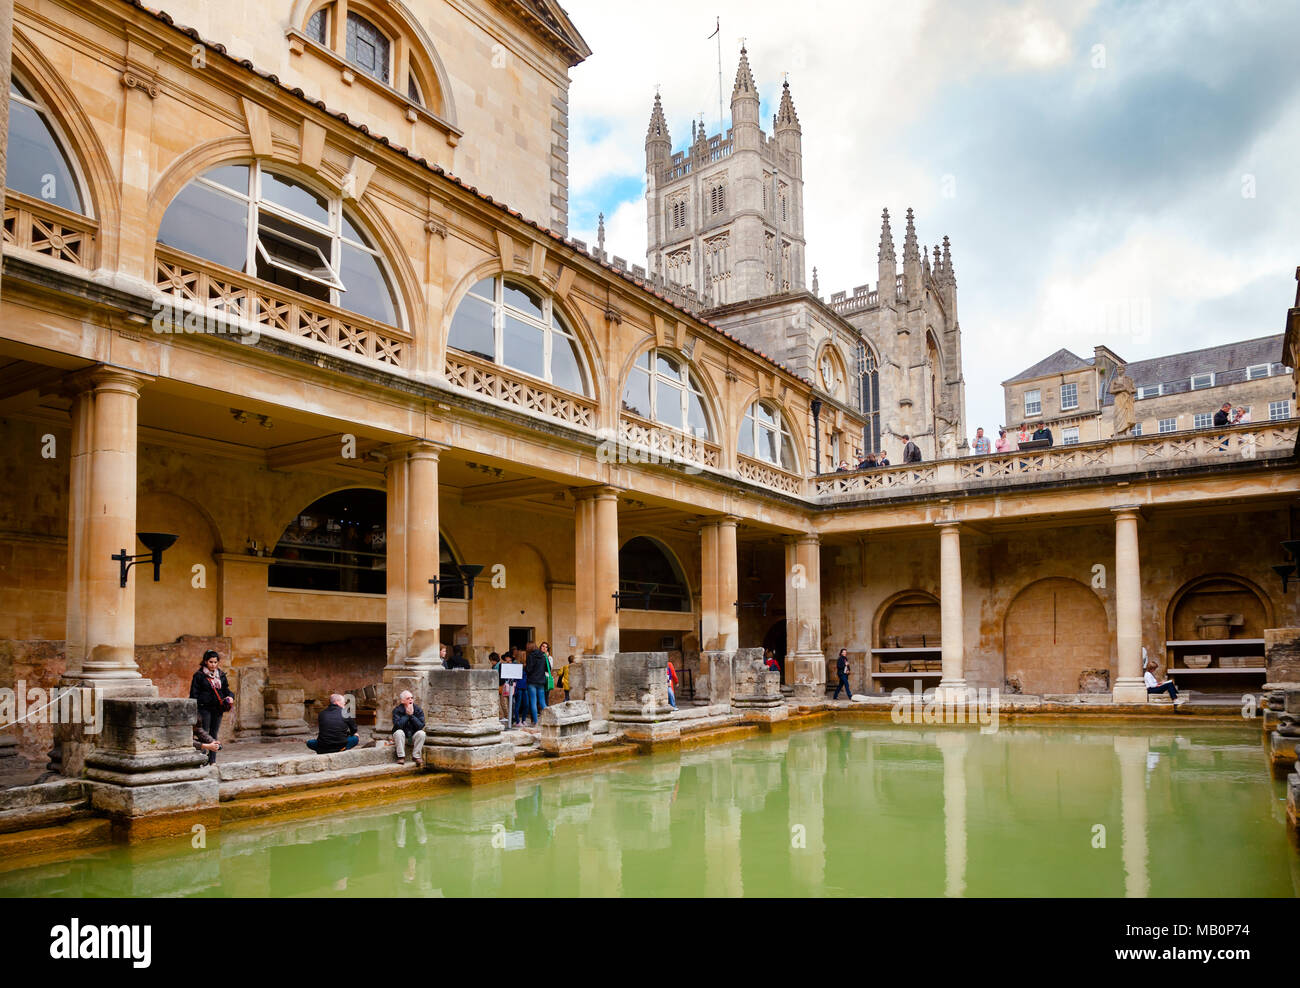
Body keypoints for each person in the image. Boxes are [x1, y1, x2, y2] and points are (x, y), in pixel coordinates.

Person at [189, 650, 233, 765]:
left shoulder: (221, 675)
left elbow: (226, 690)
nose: (213, 664)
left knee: (214, 733)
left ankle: (212, 760)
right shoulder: (199, 676)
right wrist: (202, 702)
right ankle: (202, 758)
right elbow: (193, 694)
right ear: (205, 662)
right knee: (204, 733)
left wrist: (230, 697)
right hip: (204, 709)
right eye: (211, 662)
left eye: (215, 662)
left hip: (218, 709)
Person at [391, 689, 426, 764]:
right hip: (402, 737)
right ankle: (401, 757)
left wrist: (412, 716)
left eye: (411, 698)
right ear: (402, 701)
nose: (410, 699)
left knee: (422, 733)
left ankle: (416, 756)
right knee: (398, 732)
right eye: (408, 698)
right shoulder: (397, 710)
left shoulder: (418, 710)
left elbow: (421, 726)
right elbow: (397, 726)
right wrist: (407, 715)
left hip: (413, 737)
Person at [523, 641, 548, 726]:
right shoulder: (543, 655)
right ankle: (548, 720)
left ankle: (536, 722)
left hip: (532, 682)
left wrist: (525, 667)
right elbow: (547, 669)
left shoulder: (530, 656)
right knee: (542, 702)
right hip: (541, 681)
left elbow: (529, 670)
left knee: (533, 702)